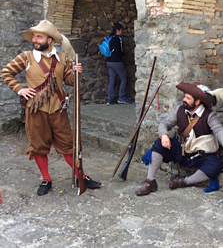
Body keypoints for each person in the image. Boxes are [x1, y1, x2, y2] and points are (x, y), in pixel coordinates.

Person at [1, 20, 101, 196]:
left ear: (50, 40)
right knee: (38, 146)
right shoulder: (26, 57)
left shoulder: (62, 58)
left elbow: (70, 81)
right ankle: (46, 178)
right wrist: (20, 89)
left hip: (58, 109)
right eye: (34, 37)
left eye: (39, 37)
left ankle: (81, 176)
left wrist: (76, 72)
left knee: (68, 145)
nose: (35, 40)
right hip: (35, 110)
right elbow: (6, 72)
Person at [135, 82, 223, 196]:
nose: (184, 99)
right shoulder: (180, 110)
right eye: (185, 96)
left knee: (215, 164)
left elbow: (219, 130)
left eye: (188, 98)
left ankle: (184, 182)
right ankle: (150, 182)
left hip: (200, 155)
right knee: (158, 144)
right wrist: (164, 135)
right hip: (181, 151)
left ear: (197, 102)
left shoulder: (209, 115)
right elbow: (165, 123)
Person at [106, 23, 131, 105]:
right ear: (118, 30)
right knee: (124, 79)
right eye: (121, 30)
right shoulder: (118, 39)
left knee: (112, 80)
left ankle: (110, 100)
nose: (122, 32)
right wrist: (123, 55)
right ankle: (121, 98)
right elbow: (119, 51)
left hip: (109, 62)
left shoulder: (109, 38)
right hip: (117, 62)